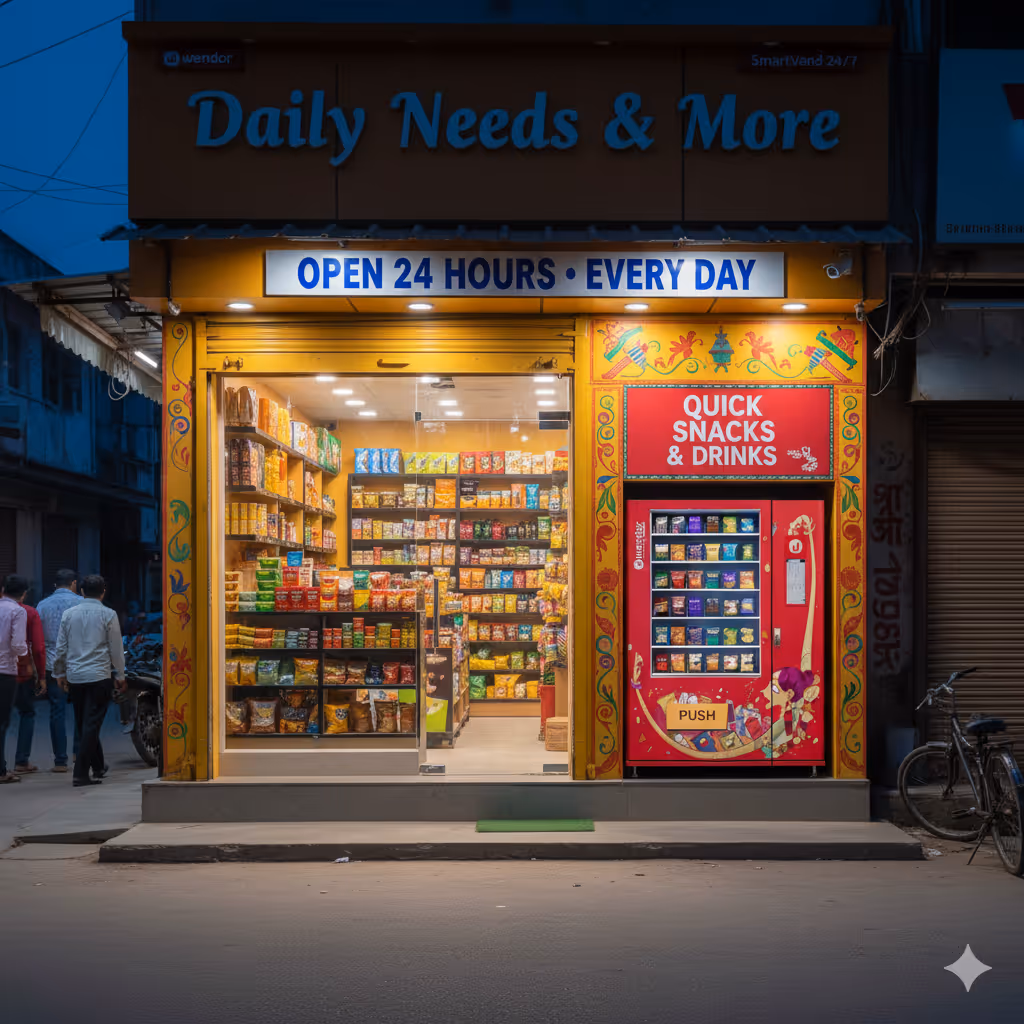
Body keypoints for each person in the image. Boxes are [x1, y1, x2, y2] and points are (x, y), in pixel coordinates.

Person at [53, 574, 126, 788]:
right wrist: (120, 675)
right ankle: (80, 773)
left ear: (82, 591)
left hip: (75, 676)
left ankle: (99, 766)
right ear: (103, 592)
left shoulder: (69, 614)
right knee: (91, 725)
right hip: (99, 675)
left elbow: (60, 648)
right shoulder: (108, 614)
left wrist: (60, 673)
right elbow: (116, 649)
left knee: (84, 723)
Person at [35, 569, 83, 773]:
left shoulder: (42, 605)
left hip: (53, 665)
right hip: (79, 664)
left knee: (57, 712)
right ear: (73, 583)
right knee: (81, 710)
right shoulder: (82, 603)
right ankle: (78, 753)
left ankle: (60, 761)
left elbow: (37, 639)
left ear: (55, 585)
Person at [12, 590, 46, 774]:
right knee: (27, 713)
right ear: (23, 594)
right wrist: (41, 676)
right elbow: (39, 648)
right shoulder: (29, 612)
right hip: (21, 673)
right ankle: (21, 760)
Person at [0, 575, 29, 784]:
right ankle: (1, 771)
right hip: (5, 671)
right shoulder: (18, 611)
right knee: (2, 722)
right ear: (24, 593)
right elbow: (19, 644)